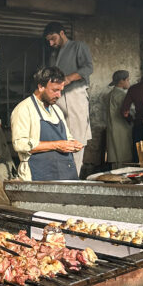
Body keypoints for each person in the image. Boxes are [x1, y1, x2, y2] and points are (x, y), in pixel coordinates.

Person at [10, 65, 83, 181]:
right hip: (38, 175)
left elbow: (67, 138)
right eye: (55, 90)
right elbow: (20, 144)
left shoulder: (57, 110)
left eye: (60, 91)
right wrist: (57, 145)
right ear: (41, 87)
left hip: (65, 174)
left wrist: (73, 144)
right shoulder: (24, 109)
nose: (59, 95)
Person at [43, 22, 92, 175]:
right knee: (59, 137)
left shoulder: (78, 46)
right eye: (49, 41)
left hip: (75, 97)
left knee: (77, 137)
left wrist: (69, 78)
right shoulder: (54, 54)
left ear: (62, 33)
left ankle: (74, 177)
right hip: (58, 99)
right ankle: (62, 177)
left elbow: (88, 68)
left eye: (53, 39)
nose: (51, 43)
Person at [105, 70, 133, 168]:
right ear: (121, 81)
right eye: (128, 80)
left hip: (112, 129)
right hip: (122, 130)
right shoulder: (122, 95)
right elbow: (130, 111)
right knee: (123, 159)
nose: (129, 82)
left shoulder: (110, 94)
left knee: (116, 158)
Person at [121, 61, 143, 150]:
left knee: (138, 154)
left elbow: (124, 112)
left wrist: (131, 120)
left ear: (142, 73)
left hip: (139, 124)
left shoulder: (134, 89)